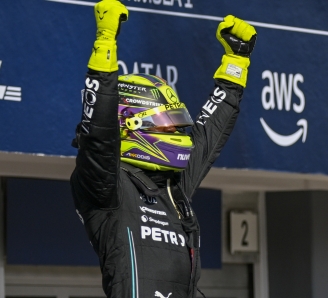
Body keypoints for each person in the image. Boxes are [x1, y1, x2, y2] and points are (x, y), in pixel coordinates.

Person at [69, 1, 257, 297]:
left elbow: (209, 134)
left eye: (175, 123)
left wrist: (237, 62)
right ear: (129, 125)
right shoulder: (108, 187)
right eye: (165, 124)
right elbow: (99, 136)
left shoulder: (173, 187)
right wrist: (105, 44)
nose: (175, 132)